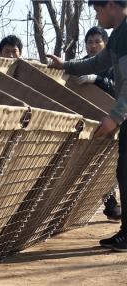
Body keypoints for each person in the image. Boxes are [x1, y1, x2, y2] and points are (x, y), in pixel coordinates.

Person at [47, 0, 127, 252]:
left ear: (111, 5)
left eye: (97, 10)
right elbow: (97, 62)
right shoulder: (118, 35)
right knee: (123, 173)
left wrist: (116, 115)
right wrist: (66, 65)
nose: (96, 16)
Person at [79, 26, 121, 221]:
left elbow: (118, 90)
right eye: (89, 42)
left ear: (105, 44)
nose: (93, 46)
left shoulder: (114, 66)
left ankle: (111, 205)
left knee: (105, 166)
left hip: (110, 122)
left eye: (97, 41)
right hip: (86, 121)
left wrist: (97, 79)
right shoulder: (80, 65)